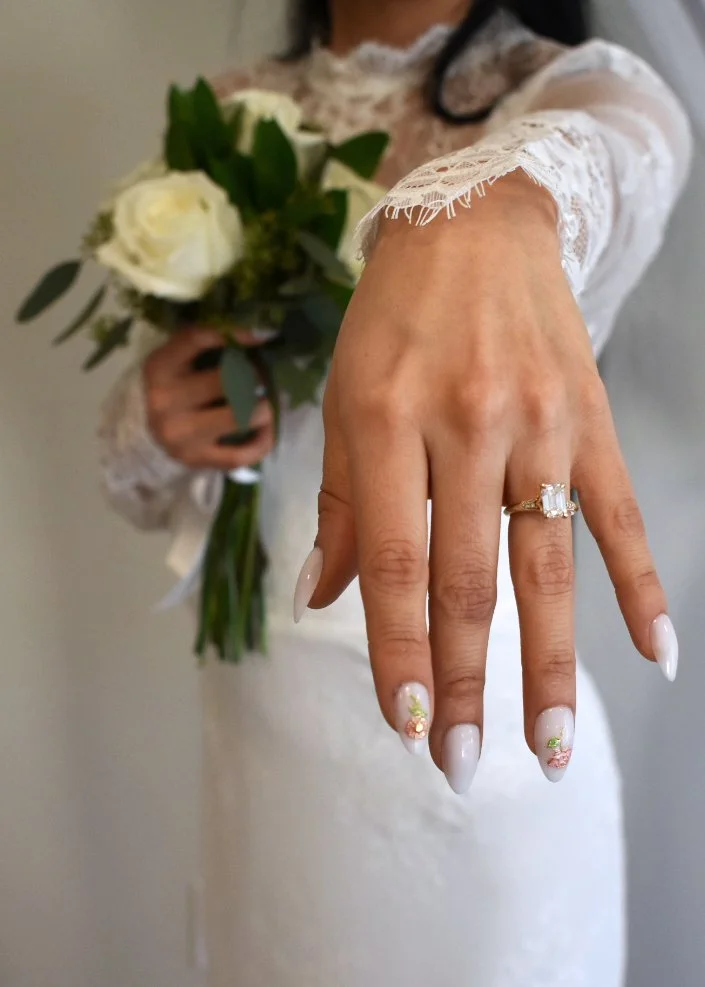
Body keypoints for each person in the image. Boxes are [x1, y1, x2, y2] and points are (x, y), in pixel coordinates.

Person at [99, 1, 691, 984]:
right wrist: (157, 418)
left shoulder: (580, 89)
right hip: (261, 722)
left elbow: (604, 153)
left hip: (470, 753)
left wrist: (495, 209)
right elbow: (154, 490)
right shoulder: (233, 113)